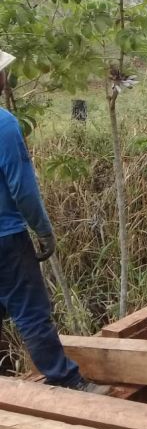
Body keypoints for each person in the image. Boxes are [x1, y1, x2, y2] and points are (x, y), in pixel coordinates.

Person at [0, 50, 107, 394]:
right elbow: (23, 190)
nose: (6, 77)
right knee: (30, 310)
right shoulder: (4, 124)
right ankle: (66, 380)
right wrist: (43, 230)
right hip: (6, 238)